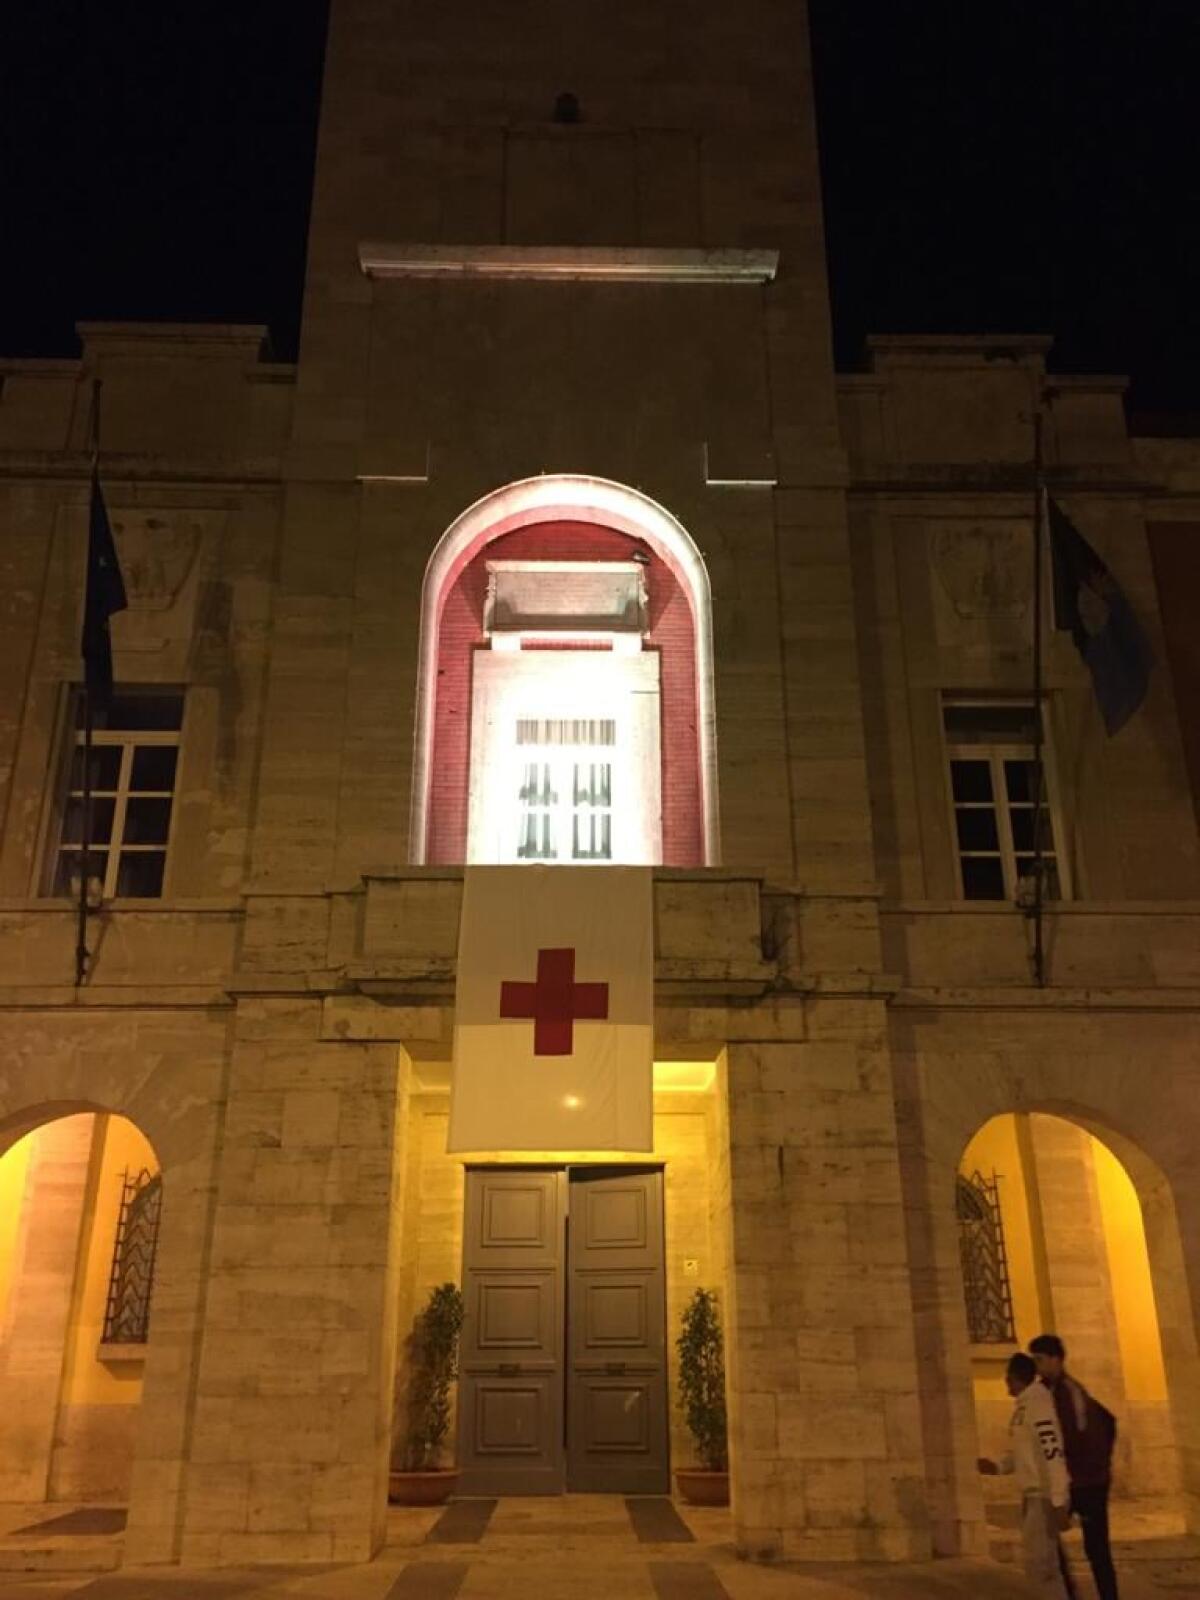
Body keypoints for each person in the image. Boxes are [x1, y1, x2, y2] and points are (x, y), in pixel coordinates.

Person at [1030, 1333, 1120, 1600]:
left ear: (1056, 1360)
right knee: (1052, 1542)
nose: (1037, 1366)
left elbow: (1085, 1432)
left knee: (1096, 1548)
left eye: (1040, 1360)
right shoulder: (1048, 1392)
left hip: (1087, 1482)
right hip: (1072, 1479)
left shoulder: (1071, 1392)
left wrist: (1093, 1468)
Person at [978, 1351, 1073, 1597]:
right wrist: (998, 1467)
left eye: (1007, 1377)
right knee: (1038, 1563)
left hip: (1043, 1496)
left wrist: (1059, 1499)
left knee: (1041, 1565)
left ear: (1013, 1377)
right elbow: (1024, 1451)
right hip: (1032, 1496)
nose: (1005, 1382)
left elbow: (1052, 1451)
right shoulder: (1024, 1406)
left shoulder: (1038, 1405)